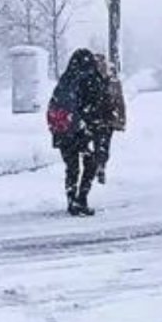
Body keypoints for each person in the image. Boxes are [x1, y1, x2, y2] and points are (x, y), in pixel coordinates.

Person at [47, 49, 110, 216]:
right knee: (90, 163)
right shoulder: (90, 78)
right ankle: (82, 198)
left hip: (64, 131)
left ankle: (71, 200)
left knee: (72, 167)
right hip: (83, 130)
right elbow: (97, 103)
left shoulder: (66, 79)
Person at [92, 53, 127, 184]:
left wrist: (121, 119)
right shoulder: (111, 81)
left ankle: (99, 165)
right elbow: (119, 101)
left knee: (99, 143)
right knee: (103, 144)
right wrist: (121, 120)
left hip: (99, 118)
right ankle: (100, 165)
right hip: (105, 118)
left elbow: (119, 101)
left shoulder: (109, 81)